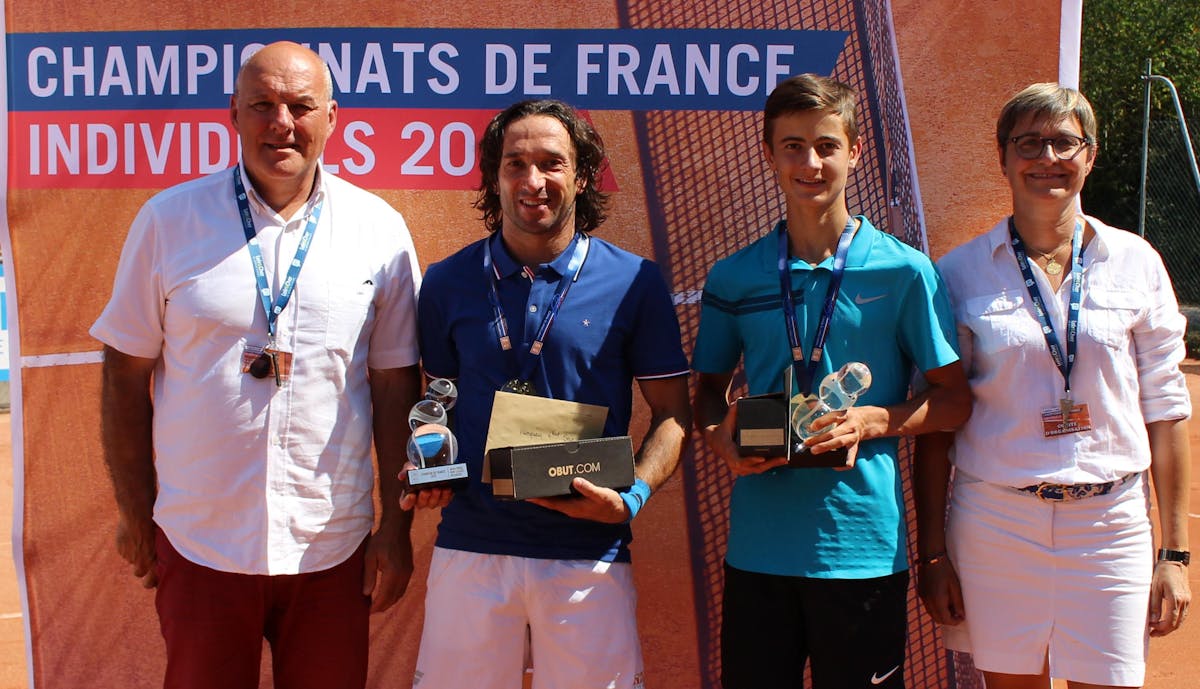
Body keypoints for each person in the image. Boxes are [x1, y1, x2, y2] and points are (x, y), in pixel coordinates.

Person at [91, 41, 422, 689]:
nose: (282, 122)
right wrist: (138, 513)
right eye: (262, 105)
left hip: (333, 542)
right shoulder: (168, 220)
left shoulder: (378, 230)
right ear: (233, 116)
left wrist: (396, 526)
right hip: (200, 541)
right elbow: (122, 378)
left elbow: (394, 388)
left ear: (331, 117)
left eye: (300, 105)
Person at [692, 73, 971, 689]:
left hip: (863, 553)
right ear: (768, 153)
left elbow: (954, 401)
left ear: (854, 152)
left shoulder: (903, 269)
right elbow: (707, 393)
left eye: (825, 145)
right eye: (792, 146)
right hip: (758, 555)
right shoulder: (735, 277)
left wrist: (876, 419)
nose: (810, 162)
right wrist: (721, 441)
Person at [404, 99, 691, 689]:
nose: (533, 182)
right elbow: (436, 406)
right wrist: (427, 470)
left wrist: (630, 498)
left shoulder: (635, 281)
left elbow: (673, 415)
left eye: (552, 164)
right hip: (472, 550)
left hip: (588, 553)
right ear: (493, 175)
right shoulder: (445, 281)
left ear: (582, 175)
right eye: (515, 163)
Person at [915, 83, 1192, 689]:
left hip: (1111, 525)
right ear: (1003, 156)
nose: (1048, 158)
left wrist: (1174, 554)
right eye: (1029, 143)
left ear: (1089, 156)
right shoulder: (957, 272)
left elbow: (1166, 411)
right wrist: (933, 555)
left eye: (1065, 142)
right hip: (996, 524)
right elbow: (937, 424)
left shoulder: (1137, 262)